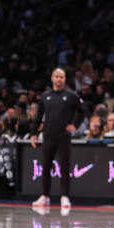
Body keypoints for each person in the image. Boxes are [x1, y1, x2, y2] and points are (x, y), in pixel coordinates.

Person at [30, 68, 86, 208]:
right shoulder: (45, 96)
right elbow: (38, 117)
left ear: (65, 79)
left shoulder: (71, 95)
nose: (59, 79)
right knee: (46, 167)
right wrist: (33, 134)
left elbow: (83, 111)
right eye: (56, 76)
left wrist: (75, 125)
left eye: (61, 77)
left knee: (64, 167)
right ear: (52, 78)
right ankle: (45, 196)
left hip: (63, 137)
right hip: (48, 136)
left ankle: (64, 196)